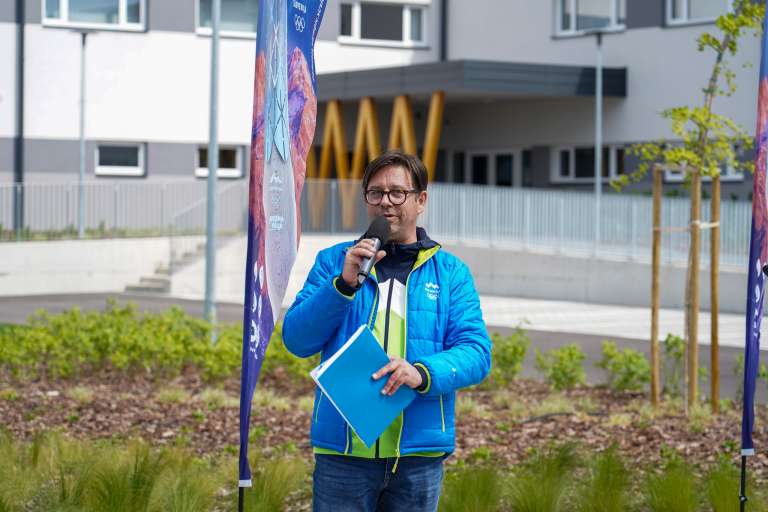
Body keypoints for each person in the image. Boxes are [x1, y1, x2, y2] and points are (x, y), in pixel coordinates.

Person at [283, 150, 492, 512]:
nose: (385, 203)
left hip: (417, 455)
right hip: (343, 454)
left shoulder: (450, 272)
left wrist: (421, 372)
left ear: (421, 200)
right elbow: (297, 340)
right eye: (375, 193)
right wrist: (343, 286)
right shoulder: (335, 262)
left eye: (398, 193)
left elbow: (476, 352)